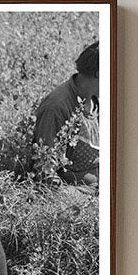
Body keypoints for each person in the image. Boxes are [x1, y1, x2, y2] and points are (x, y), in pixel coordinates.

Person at [32, 40, 100, 184]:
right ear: (99, 73)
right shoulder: (57, 107)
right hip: (79, 187)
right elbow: (46, 172)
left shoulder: (97, 99)